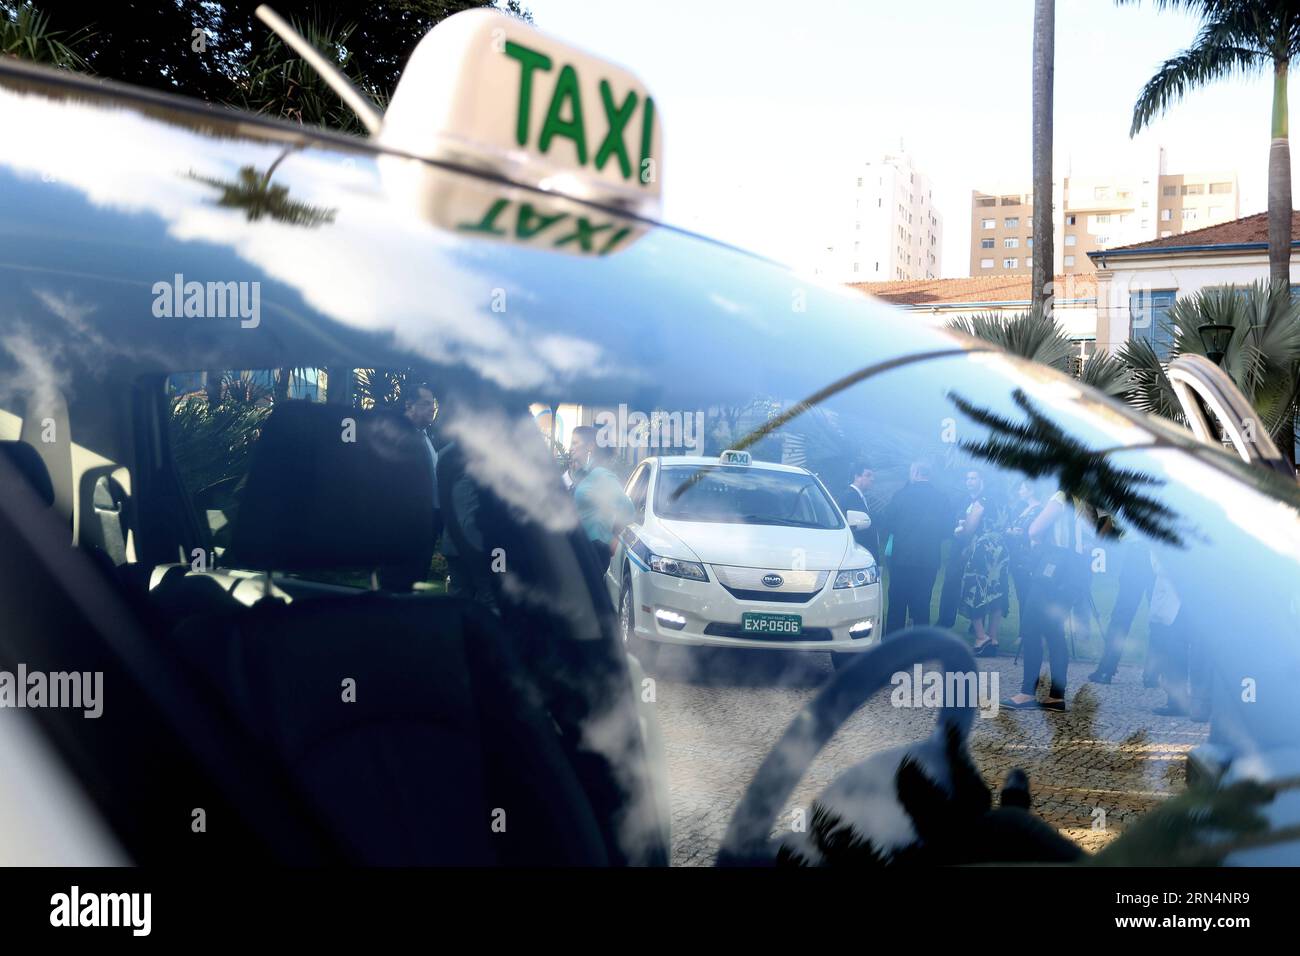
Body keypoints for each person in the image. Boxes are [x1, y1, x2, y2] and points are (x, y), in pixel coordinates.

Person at [1003, 487, 1082, 712]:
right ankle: (1056, 695)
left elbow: (1034, 530)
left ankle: (1027, 692)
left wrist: (1037, 542)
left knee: (1030, 626)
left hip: (1054, 566)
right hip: (1076, 569)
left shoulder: (1062, 496)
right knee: (1055, 630)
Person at [880, 461, 951, 636]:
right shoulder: (941, 498)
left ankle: (893, 645)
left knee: (897, 603)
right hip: (929, 560)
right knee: (922, 604)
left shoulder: (901, 495)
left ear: (915, 472)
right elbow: (948, 529)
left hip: (901, 558)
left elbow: (887, 524)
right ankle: (919, 648)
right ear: (929, 474)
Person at [958, 473, 1010, 657]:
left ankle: (981, 637)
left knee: (975, 589)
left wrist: (962, 532)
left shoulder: (982, 502)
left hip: (983, 549)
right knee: (997, 591)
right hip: (1001, 550)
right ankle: (993, 638)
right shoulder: (1004, 502)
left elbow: (970, 529)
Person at [568, 426, 634, 567]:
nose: (570, 448)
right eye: (571, 443)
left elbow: (628, 510)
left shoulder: (601, 475)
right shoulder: (582, 475)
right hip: (579, 548)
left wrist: (612, 537)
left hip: (594, 551)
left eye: (575, 443)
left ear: (590, 446)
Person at [837, 461, 881, 559]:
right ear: (857, 477)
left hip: (865, 553)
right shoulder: (850, 496)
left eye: (872, 476)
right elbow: (858, 524)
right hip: (860, 554)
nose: (872, 479)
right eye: (868, 475)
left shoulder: (859, 496)